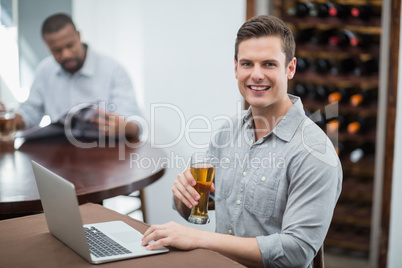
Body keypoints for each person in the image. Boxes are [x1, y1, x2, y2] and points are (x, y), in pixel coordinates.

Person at [141, 15, 342, 267]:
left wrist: (200, 239)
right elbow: (199, 209)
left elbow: (296, 252)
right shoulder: (228, 133)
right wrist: (184, 197)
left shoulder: (315, 153)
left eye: (268, 64)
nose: (256, 75)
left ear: (290, 68)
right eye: (247, 64)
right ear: (236, 68)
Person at [2, 13, 141, 138]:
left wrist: (124, 127)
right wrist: (7, 119)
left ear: (78, 36)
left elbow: (135, 125)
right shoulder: (45, 70)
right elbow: (30, 113)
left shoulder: (113, 70)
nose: (66, 55)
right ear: (47, 46)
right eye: (57, 50)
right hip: (60, 157)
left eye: (70, 46)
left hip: (106, 155)